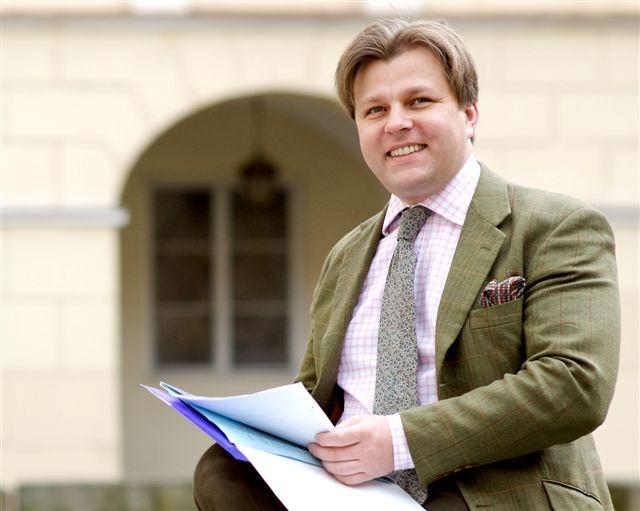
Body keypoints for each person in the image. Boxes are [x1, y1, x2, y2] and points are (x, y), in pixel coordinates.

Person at [193, 18, 620, 510]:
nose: (396, 122)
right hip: (352, 493)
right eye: (375, 110)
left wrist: (399, 442)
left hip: (490, 492)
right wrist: (256, 428)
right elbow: (317, 396)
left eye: (418, 101)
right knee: (223, 472)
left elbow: (574, 384)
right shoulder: (347, 256)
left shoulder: (555, 227)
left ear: (469, 114)